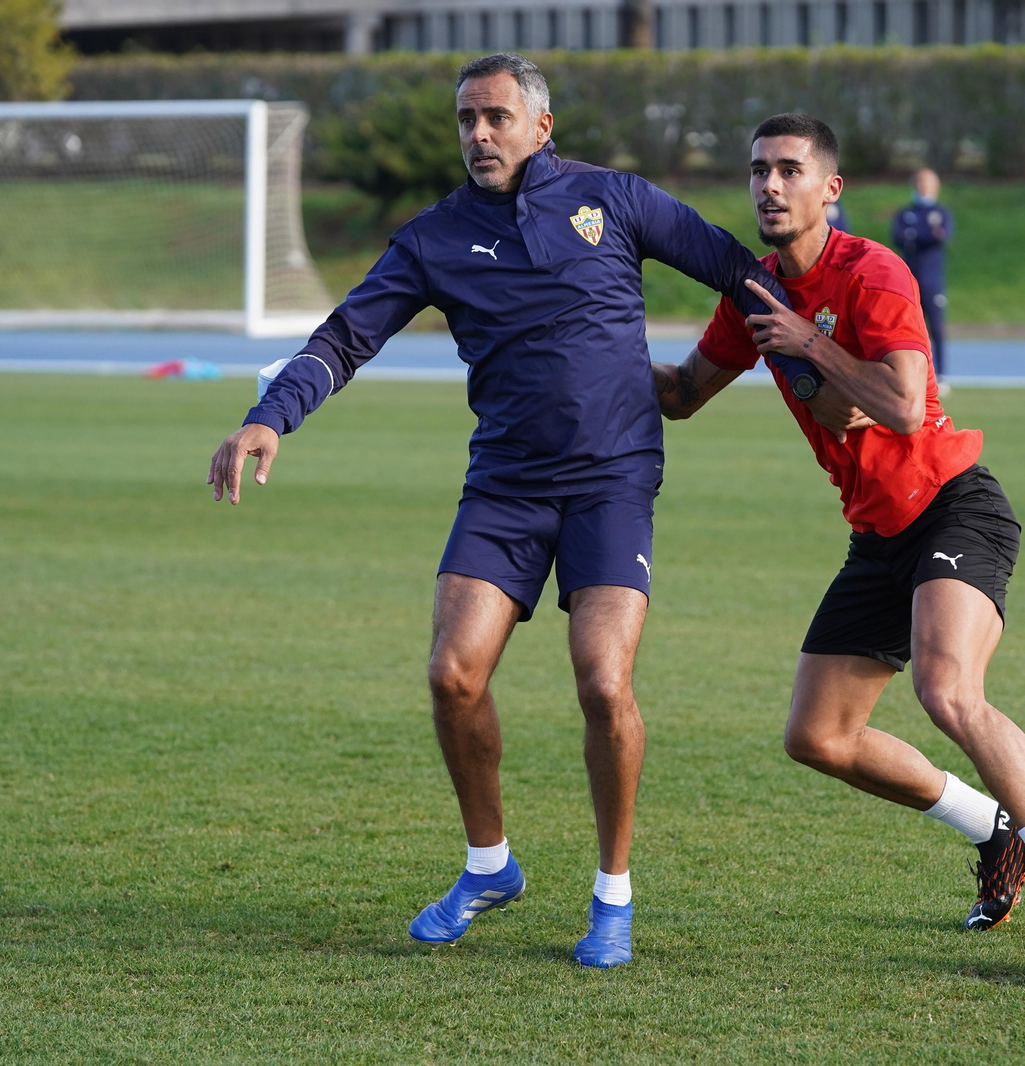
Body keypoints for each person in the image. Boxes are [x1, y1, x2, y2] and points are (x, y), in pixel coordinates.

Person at [206, 53, 796, 970]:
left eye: (495, 117)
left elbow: (733, 267)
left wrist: (824, 331)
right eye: (466, 120)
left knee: (603, 683)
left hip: (613, 481)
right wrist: (266, 417)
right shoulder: (433, 238)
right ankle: (490, 864)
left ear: (540, 125)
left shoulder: (616, 199)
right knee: (452, 674)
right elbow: (346, 337)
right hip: (507, 485)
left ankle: (612, 896)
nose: (478, 134)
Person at [651, 113, 1025, 984]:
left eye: (789, 169)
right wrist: (587, 351)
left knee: (945, 688)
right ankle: (993, 831)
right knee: (818, 736)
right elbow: (682, 395)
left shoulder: (873, 272)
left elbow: (907, 407)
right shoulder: (751, 293)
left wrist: (808, 343)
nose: (768, 185)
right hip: (877, 536)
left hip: (954, 508)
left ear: (829, 188)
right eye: (757, 170)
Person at [890, 168, 952, 391]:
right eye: (919, 184)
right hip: (908, 281)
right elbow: (898, 237)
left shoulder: (941, 212)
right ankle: (908, 376)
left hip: (933, 280)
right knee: (908, 329)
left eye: (927, 184)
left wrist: (915, 236)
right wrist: (925, 235)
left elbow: (942, 236)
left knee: (936, 328)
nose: (923, 188)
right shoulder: (906, 212)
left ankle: (941, 376)